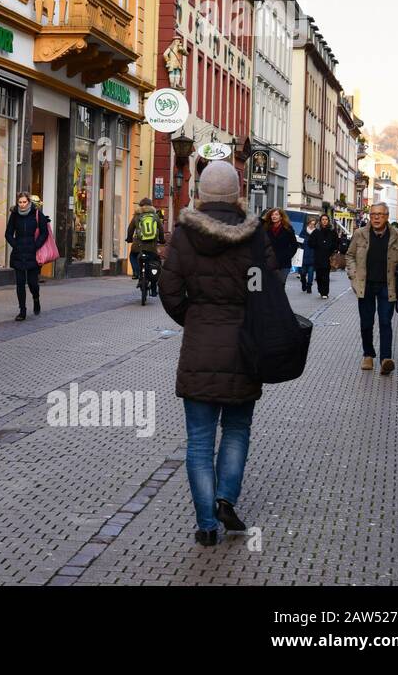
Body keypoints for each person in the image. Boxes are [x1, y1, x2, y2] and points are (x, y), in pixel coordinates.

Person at [158, 162, 275, 547]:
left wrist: (194, 318)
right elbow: (267, 289)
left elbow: (169, 289)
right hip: (244, 351)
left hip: (200, 350)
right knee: (238, 430)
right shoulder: (254, 237)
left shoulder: (185, 235)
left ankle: (206, 524)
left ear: (202, 194)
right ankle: (226, 497)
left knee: (199, 441)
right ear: (237, 193)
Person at [345, 203, 398, 376]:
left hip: (387, 286)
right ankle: (368, 355)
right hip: (365, 285)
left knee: (385, 322)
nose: (376, 217)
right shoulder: (360, 234)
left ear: (387, 216)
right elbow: (350, 256)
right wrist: (353, 276)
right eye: (373, 214)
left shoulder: (397, 235)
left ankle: (385, 359)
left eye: (380, 215)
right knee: (367, 323)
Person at [5, 191, 50, 321]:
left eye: (24, 202)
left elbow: (44, 232)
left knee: (32, 283)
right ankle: (22, 311)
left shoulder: (36, 214)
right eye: (20, 202)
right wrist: (16, 244)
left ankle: (36, 298)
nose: (22, 205)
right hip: (19, 254)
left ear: (29, 202)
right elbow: (8, 233)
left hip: (32, 254)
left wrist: (36, 245)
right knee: (20, 284)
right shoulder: (14, 215)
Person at [127, 197, 166, 293]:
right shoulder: (155, 216)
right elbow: (161, 230)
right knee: (156, 263)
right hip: (151, 247)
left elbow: (130, 229)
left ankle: (136, 272)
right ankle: (153, 288)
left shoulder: (137, 216)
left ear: (140, 206)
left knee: (132, 255)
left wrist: (129, 239)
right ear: (151, 206)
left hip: (138, 247)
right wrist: (162, 240)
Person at [307, 213, 338, 298]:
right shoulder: (316, 232)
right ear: (320, 221)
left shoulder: (332, 232)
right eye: (323, 219)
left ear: (328, 221)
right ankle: (320, 290)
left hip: (328, 257)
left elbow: (336, 242)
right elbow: (310, 242)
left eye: (326, 219)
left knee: (326, 275)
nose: (324, 221)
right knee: (319, 275)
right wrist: (316, 245)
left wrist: (333, 249)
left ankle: (325, 292)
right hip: (318, 256)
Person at [264, 208, 297, 284]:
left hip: (284, 263)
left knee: (281, 284)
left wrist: (288, 255)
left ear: (281, 217)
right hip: (269, 262)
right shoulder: (266, 228)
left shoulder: (288, 229)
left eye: (276, 214)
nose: (274, 216)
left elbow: (294, 245)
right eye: (272, 215)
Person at [298, 215, 317, 293]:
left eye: (313, 224)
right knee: (302, 272)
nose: (312, 225)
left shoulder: (316, 233)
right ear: (308, 224)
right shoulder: (303, 231)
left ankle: (309, 286)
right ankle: (303, 282)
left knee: (310, 273)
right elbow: (299, 241)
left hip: (312, 256)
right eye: (311, 224)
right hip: (303, 255)